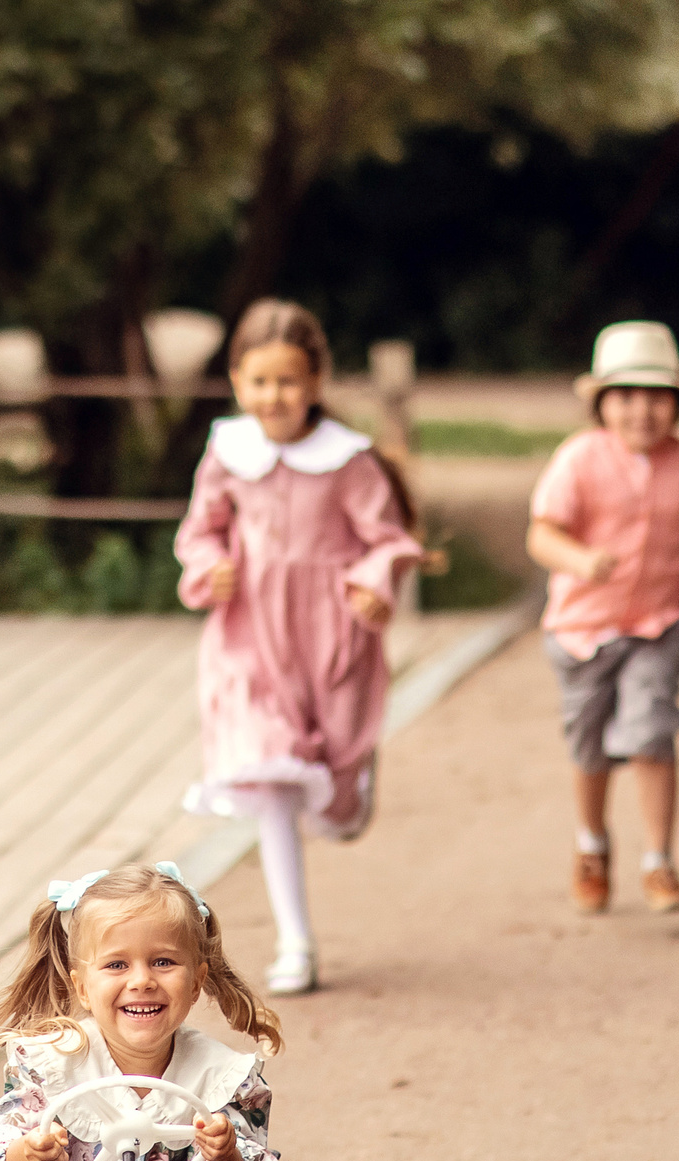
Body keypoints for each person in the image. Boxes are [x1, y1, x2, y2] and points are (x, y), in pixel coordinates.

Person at [175, 299, 425, 995]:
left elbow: (388, 541)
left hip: (330, 637)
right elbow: (200, 530)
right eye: (259, 382)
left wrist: (374, 582)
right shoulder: (228, 453)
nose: (273, 397)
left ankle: (350, 782)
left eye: (288, 381)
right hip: (250, 637)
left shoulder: (348, 462)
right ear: (236, 381)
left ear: (315, 381)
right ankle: (297, 942)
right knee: (274, 778)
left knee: (334, 809)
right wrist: (210, 566)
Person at [526, 320, 679, 915]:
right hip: (583, 630)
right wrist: (581, 560)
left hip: (661, 622)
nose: (643, 411)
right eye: (627, 396)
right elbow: (542, 534)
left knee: (652, 732)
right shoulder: (578, 460)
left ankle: (659, 860)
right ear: (601, 404)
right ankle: (592, 846)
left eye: (657, 397)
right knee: (589, 747)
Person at [0, 864, 283, 1161]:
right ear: (82, 988)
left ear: (196, 982)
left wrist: (223, 1154)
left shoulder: (223, 1076)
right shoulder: (50, 1066)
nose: (141, 981)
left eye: (163, 962)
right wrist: (29, 1154)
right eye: (116, 965)